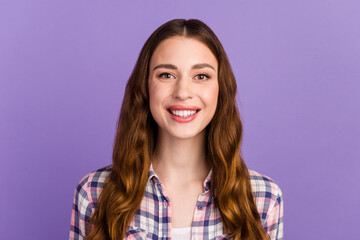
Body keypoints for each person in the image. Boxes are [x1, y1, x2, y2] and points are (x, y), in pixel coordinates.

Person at [69, 19, 283, 240]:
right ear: (145, 87)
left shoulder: (263, 198)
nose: (183, 92)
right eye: (166, 75)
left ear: (221, 89)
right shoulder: (94, 192)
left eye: (201, 76)